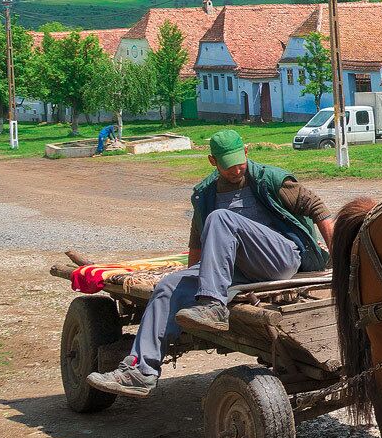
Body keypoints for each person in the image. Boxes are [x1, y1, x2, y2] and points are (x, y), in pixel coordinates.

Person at [87, 130, 334, 399]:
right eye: (228, 165)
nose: (236, 169)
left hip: (281, 260)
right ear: (212, 161)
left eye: (240, 162)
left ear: (247, 153)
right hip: (239, 272)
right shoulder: (205, 193)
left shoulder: (269, 179)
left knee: (221, 219)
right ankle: (140, 371)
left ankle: (213, 306)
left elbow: (318, 208)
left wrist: (340, 260)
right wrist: (191, 278)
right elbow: (197, 244)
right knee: (168, 287)